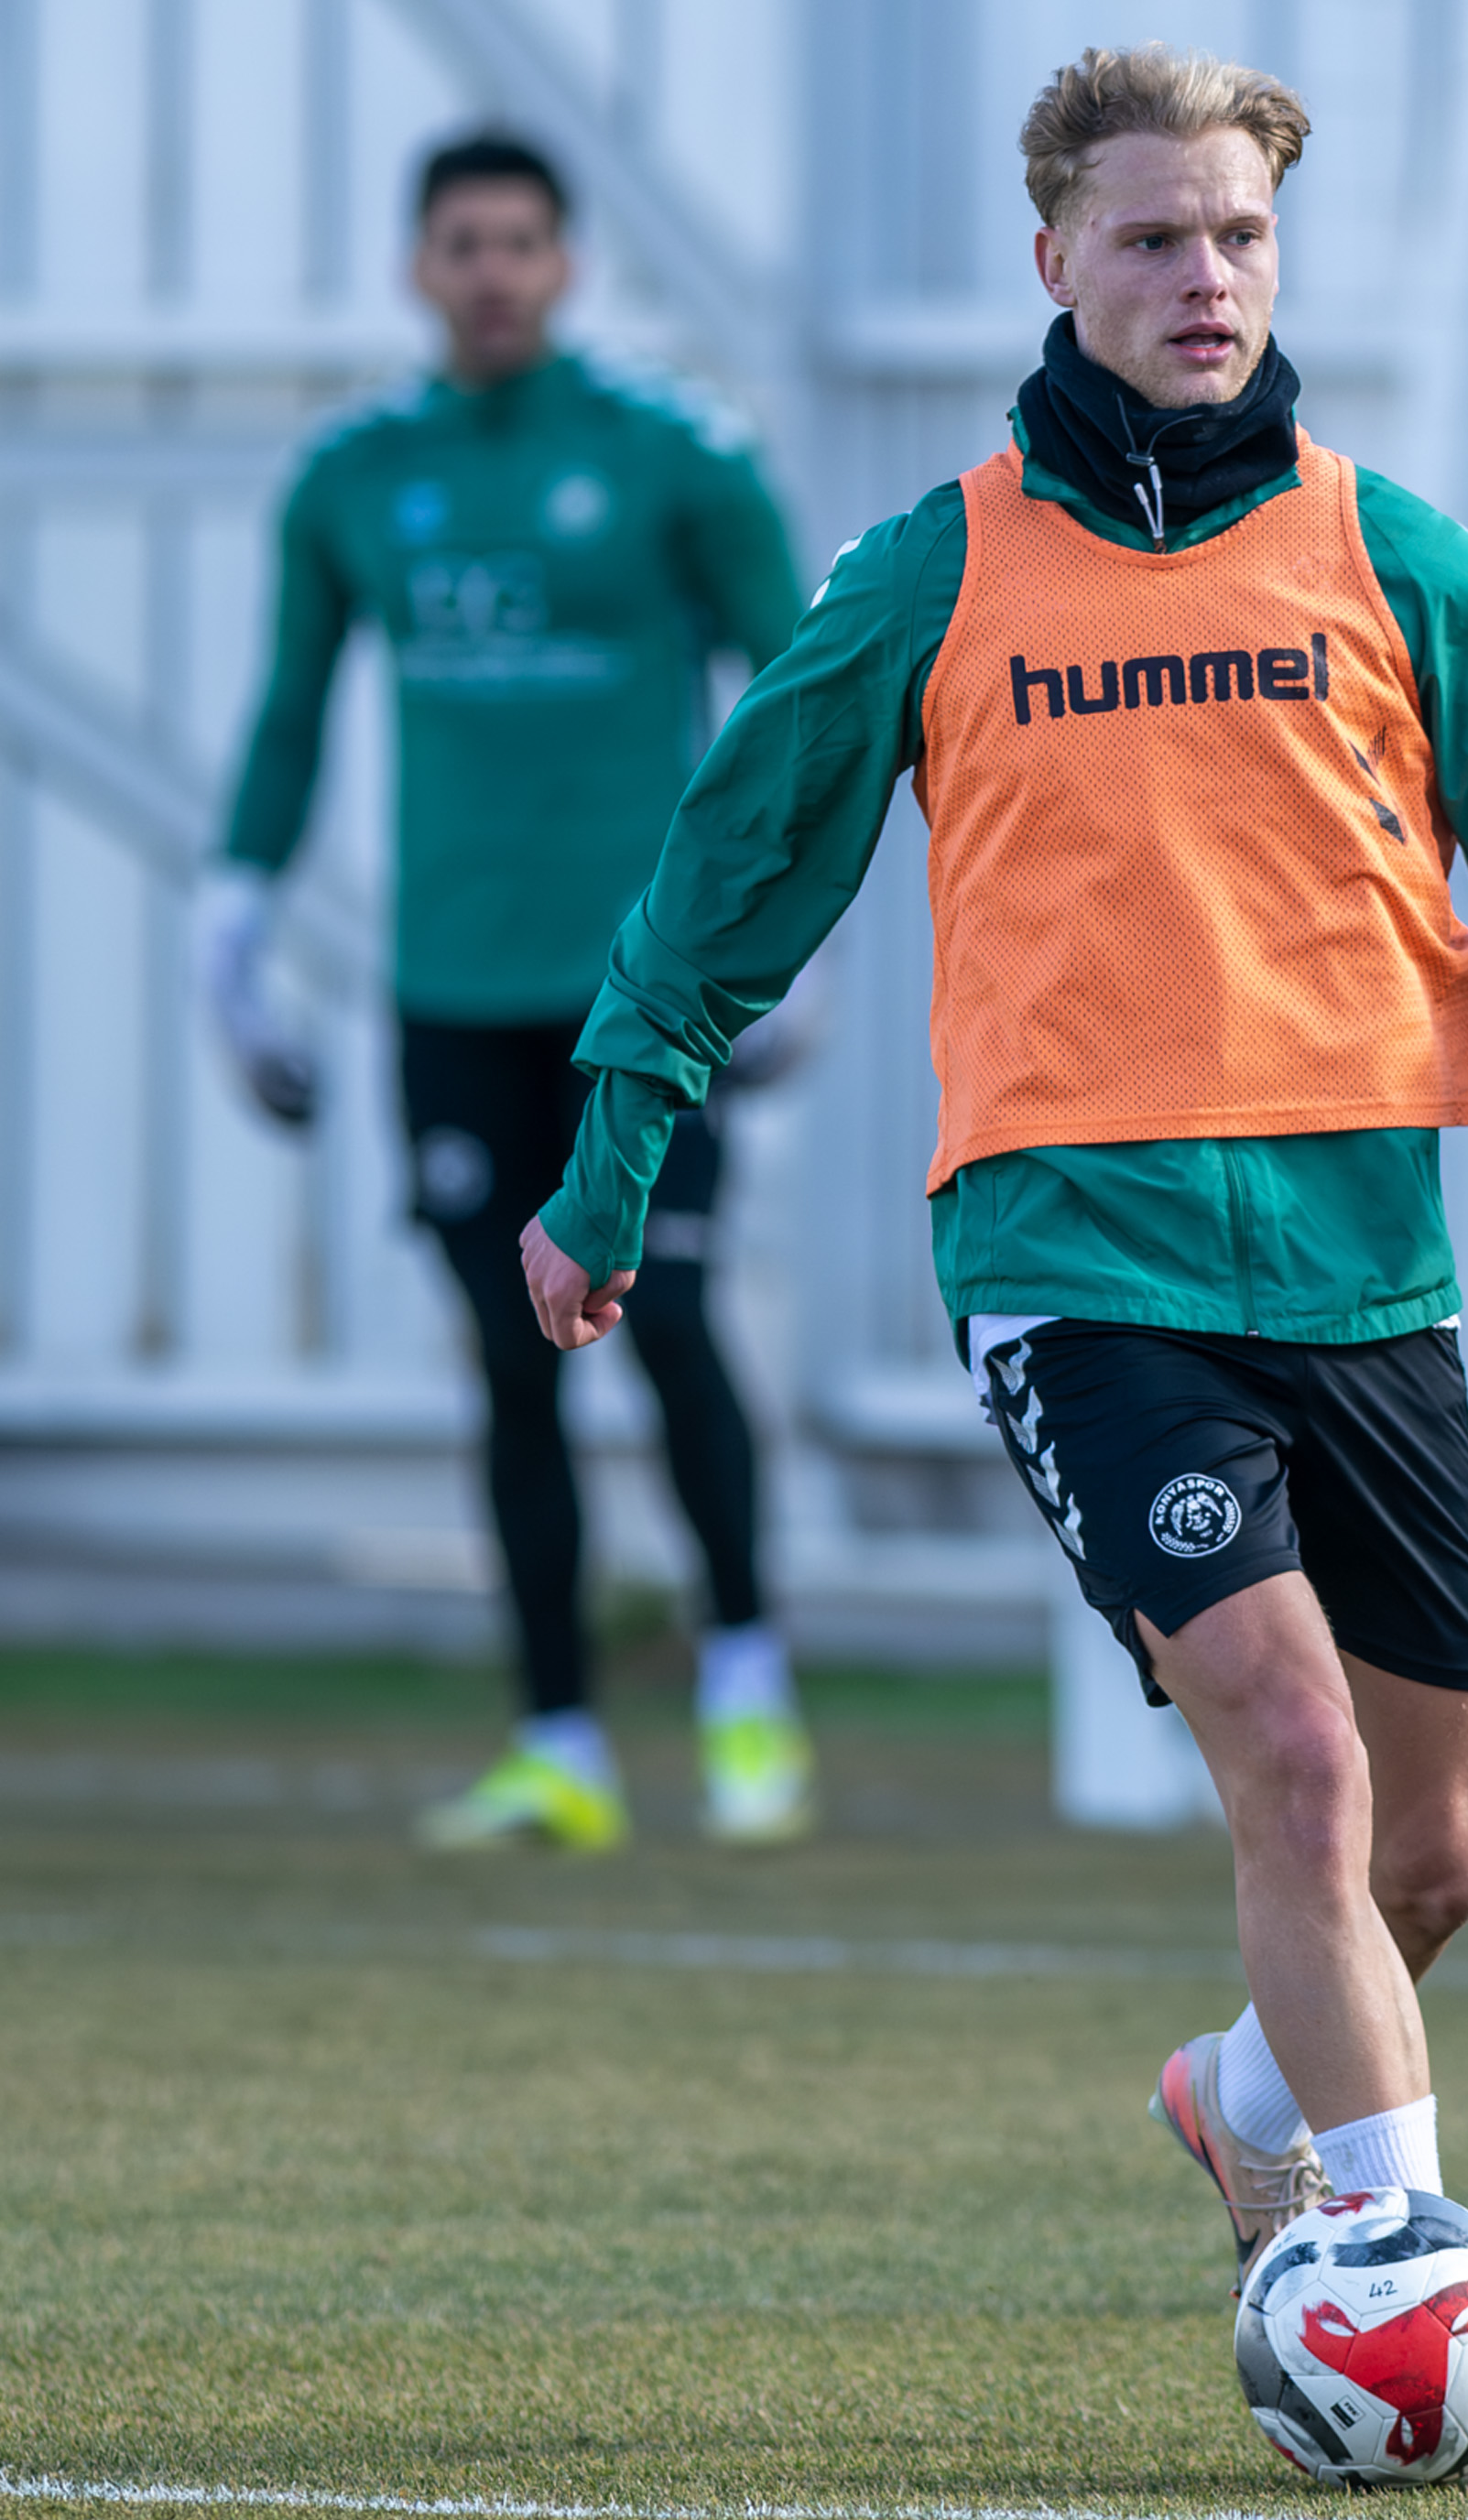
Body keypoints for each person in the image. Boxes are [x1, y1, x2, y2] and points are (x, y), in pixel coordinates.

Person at [519, 46, 1468, 2483]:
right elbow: (731, 871)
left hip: (1362, 1268)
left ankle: (1243, 2099)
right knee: (1289, 1745)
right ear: (1054, 255)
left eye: (1239, 238)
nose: (1203, 279)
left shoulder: (1391, 553)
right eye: (1155, 237)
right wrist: (610, 1159)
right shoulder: (936, 570)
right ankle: (1397, 2299)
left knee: (1436, 1849)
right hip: (1077, 1254)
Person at [209, 131, 816, 1852]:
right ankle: (559, 1740)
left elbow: (802, 702)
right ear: (419, 266)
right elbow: (286, 716)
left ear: (566, 265)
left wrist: (799, 953)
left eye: (521, 242)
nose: (491, 272)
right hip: (452, 996)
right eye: (462, 243)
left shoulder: (675, 457)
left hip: (649, 999)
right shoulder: (355, 478)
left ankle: (747, 1695)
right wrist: (228, 933)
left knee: (671, 1323)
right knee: (508, 1355)